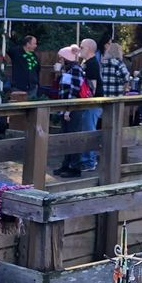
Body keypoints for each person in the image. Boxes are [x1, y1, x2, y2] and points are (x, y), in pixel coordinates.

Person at [52, 45, 88, 179]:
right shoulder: (67, 70)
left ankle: (75, 167)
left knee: (73, 137)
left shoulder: (75, 70)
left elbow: (73, 91)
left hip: (73, 109)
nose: (60, 60)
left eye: (61, 57)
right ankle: (66, 164)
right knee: (66, 137)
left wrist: (68, 110)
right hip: (65, 108)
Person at [78, 38, 102, 170]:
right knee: (86, 129)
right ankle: (87, 159)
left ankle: (89, 161)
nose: (80, 49)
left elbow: (93, 86)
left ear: (88, 49)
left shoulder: (92, 63)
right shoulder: (86, 62)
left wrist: (88, 101)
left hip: (92, 103)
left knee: (89, 130)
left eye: (81, 47)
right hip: (88, 103)